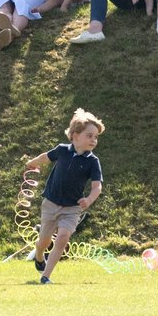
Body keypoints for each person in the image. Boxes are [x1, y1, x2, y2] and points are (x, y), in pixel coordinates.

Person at [24, 108, 105, 285]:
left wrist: (89, 199)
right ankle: (39, 255)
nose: (94, 140)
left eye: (96, 137)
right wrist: (32, 163)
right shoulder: (62, 150)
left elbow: (97, 186)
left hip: (72, 208)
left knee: (62, 238)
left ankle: (45, 276)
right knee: (44, 241)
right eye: (89, 135)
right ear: (75, 136)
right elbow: (45, 157)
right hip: (51, 203)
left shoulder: (93, 161)